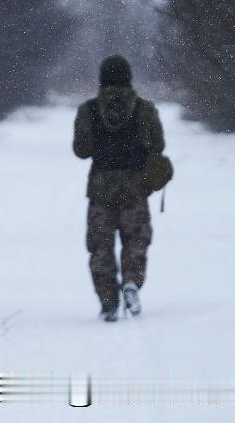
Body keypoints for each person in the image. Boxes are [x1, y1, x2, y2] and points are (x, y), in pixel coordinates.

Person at [73, 55, 165, 322]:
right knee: (136, 241)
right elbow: (157, 146)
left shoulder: (88, 110)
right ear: (129, 76)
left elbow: (81, 151)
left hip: (100, 187)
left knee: (100, 246)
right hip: (135, 187)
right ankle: (132, 282)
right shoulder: (145, 109)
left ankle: (108, 301)